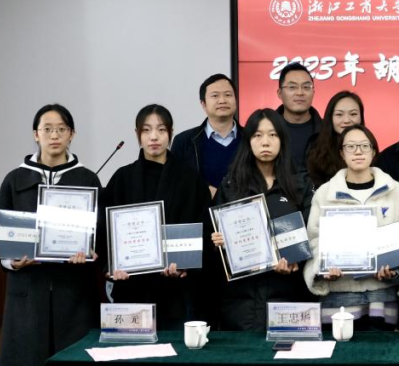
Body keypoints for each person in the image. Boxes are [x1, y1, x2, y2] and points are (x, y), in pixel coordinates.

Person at [0, 104, 102, 366]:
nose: (54, 135)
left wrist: (90, 253)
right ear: (36, 134)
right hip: (27, 294)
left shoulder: (87, 179)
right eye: (47, 129)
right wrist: (11, 261)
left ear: (71, 134)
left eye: (61, 129)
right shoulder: (15, 179)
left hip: (73, 294)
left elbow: (100, 235)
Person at [104, 105, 211, 328]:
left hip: (176, 294)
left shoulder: (190, 180)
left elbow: (204, 229)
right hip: (131, 290)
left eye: (161, 130)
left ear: (170, 133)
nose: (154, 137)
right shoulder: (122, 178)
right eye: (146, 130)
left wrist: (186, 266)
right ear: (137, 134)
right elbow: (105, 230)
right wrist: (111, 266)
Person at [304, 124, 399, 330]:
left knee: (382, 348)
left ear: (374, 151)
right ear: (342, 153)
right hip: (339, 294)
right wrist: (323, 268)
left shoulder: (395, 190)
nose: (358, 151)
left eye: (364, 146)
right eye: (351, 146)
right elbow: (313, 239)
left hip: (382, 295)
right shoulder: (325, 193)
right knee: (339, 348)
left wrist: (394, 270)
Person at [209, 109, 315, 331]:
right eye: (257, 135)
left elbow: (312, 235)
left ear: (282, 140)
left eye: (272, 135)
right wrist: (220, 242)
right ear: (248, 141)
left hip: (289, 299)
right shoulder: (231, 185)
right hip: (240, 305)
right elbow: (215, 250)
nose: (265, 142)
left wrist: (297, 260)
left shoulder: (301, 183)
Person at [171, 73, 242, 198]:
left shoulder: (252, 138)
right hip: (200, 209)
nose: (222, 100)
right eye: (215, 96)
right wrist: (204, 190)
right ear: (203, 104)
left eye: (228, 95)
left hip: (244, 208)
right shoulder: (184, 142)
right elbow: (175, 182)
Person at [306, 90, 365, 187]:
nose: (346, 120)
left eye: (353, 114)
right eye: (339, 114)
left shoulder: (369, 147)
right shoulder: (316, 149)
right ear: (330, 118)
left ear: (361, 117)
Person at [275, 63, 323, 174]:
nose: (300, 93)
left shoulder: (326, 130)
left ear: (313, 92)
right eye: (292, 87)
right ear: (280, 93)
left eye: (306, 87)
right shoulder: (266, 130)